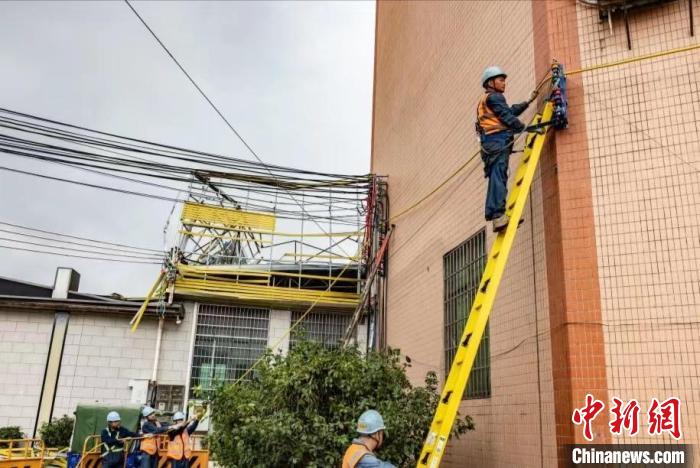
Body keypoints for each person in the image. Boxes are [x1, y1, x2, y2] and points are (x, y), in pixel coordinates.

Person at [476, 66, 538, 232]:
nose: (504, 83)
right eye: (501, 80)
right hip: (496, 142)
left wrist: (527, 102)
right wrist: (525, 128)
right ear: (491, 82)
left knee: (497, 177)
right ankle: (498, 215)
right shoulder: (495, 97)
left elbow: (508, 111)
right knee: (498, 176)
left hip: (491, 143)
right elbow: (506, 116)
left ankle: (495, 215)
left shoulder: (488, 99)